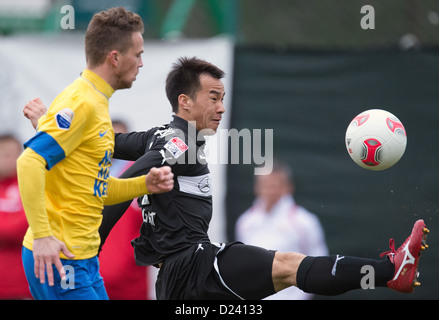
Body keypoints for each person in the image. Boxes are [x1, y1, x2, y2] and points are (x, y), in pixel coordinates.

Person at [27, 57, 430, 300]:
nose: (221, 107)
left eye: (223, 98)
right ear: (185, 101)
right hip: (194, 266)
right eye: (213, 98)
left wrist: (48, 124)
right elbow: (134, 177)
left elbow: (100, 141)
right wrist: (90, 245)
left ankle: (388, 271)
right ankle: (388, 271)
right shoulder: (177, 143)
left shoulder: (161, 135)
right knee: (289, 265)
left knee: (288, 266)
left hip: (175, 278)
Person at [17, 7, 173, 300]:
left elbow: (93, 187)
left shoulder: (97, 101)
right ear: (115, 57)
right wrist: (41, 236)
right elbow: (29, 162)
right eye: (137, 54)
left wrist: (145, 185)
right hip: (60, 259)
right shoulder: (83, 101)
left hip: (84, 259)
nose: (141, 63)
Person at [235, 161, 328, 300]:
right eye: (266, 185)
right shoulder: (244, 222)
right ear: (257, 187)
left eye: (276, 185)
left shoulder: (305, 222)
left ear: (288, 187)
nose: (271, 190)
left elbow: (319, 266)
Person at [98, 119, 152, 299]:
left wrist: (134, 256)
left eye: (119, 139)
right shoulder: (87, 174)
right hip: (91, 274)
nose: (113, 144)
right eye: (108, 137)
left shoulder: (146, 176)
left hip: (130, 278)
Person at [0, 134, 32, 299]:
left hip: (24, 284)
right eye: (5, 154)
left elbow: (29, 227)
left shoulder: (29, 184)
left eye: (15, 154)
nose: (11, 159)